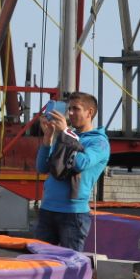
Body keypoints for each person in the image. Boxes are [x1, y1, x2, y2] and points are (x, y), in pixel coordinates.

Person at [34, 92, 110, 251]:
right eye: (69, 109)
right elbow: (42, 167)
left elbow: (81, 163)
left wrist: (65, 133)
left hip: (73, 214)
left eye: (76, 109)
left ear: (90, 112)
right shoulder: (68, 137)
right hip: (48, 209)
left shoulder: (98, 142)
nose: (70, 113)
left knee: (71, 266)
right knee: (39, 262)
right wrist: (48, 139)